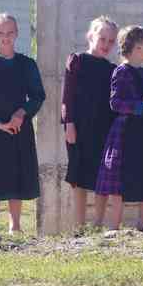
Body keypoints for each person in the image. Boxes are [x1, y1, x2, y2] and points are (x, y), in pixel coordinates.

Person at [0, 13, 46, 233]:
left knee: (17, 175)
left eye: (10, 32)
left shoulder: (27, 64)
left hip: (19, 129)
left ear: (17, 34)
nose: (5, 37)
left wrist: (21, 114)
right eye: (0, 32)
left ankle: (15, 227)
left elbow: (37, 96)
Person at [95, 25, 143, 231]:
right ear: (136, 48)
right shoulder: (121, 72)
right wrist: (142, 105)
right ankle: (114, 227)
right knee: (120, 180)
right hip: (125, 133)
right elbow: (115, 103)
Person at [62, 16, 119, 228]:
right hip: (78, 127)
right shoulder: (77, 60)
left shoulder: (112, 69)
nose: (106, 44)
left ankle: (97, 224)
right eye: (102, 38)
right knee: (79, 176)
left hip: (104, 129)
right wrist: (69, 123)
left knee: (101, 177)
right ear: (90, 36)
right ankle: (79, 226)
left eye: (111, 41)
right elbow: (67, 95)